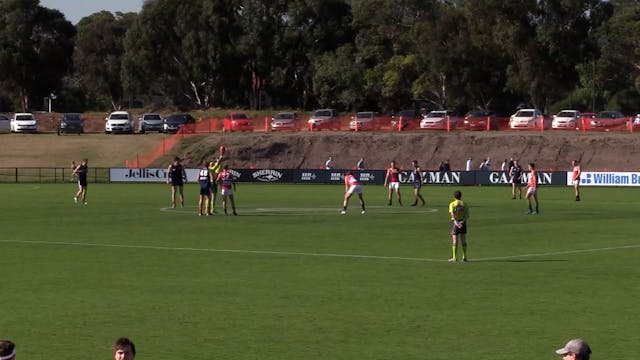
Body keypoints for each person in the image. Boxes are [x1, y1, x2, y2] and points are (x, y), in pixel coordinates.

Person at [448, 190, 469, 262]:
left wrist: (456, 222)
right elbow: (467, 215)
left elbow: (452, 213)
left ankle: (454, 257)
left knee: (455, 241)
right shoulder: (464, 204)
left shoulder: (452, 204)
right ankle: (465, 256)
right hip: (463, 223)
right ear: (461, 196)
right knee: (463, 240)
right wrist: (462, 222)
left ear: (454, 197)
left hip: (456, 223)